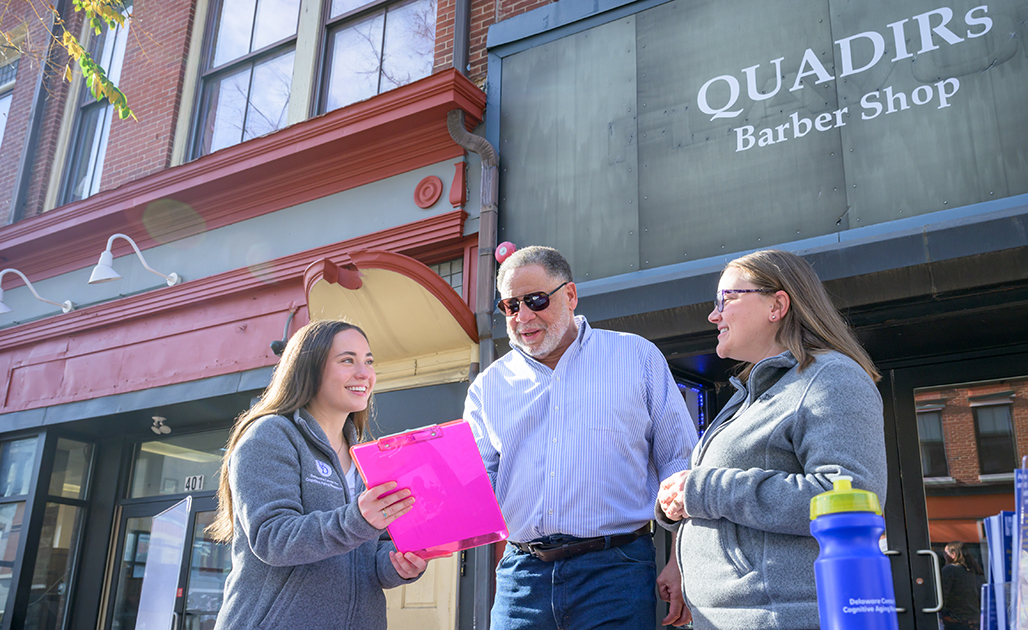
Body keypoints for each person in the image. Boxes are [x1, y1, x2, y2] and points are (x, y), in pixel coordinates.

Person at [465, 245, 699, 629]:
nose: (523, 316)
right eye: (510, 306)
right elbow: (479, 485)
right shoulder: (488, 387)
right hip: (522, 576)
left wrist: (681, 559)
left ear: (570, 295)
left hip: (616, 572)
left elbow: (680, 463)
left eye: (536, 300)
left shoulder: (636, 357)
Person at [656, 249, 888, 630]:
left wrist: (704, 490)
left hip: (779, 618)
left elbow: (850, 497)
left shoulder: (832, 378)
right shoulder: (750, 393)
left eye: (725, 299)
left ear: (777, 305)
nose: (714, 315)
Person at [209, 320, 428, 630]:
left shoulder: (366, 457)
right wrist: (358, 519)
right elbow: (272, 538)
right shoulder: (270, 435)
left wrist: (399, 563)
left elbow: (368, 556)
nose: (364, 373)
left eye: (368, 361)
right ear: (309, 368)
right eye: (347, 360)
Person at [940, 541, 985, 630]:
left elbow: (942, 596)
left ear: (953, 554)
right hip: (975, 620)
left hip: (956, 621)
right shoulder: (975, 571)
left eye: (945, 553)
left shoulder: (949, 570)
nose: (944, 556)